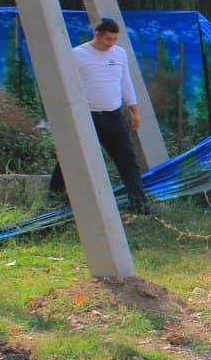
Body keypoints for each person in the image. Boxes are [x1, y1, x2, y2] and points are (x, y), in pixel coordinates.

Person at [48, 17, 149, 215]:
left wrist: (134, 110)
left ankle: (139, 204)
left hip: (113, 115)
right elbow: (64, 85)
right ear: (97, 35)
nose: (110, 44)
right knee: (72, 156)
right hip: (86, 116)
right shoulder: (77, 54)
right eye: (107, 39)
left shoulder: (119, 54)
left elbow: (126, 83)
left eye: (114, 40)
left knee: (127, 158)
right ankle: (54, 197)